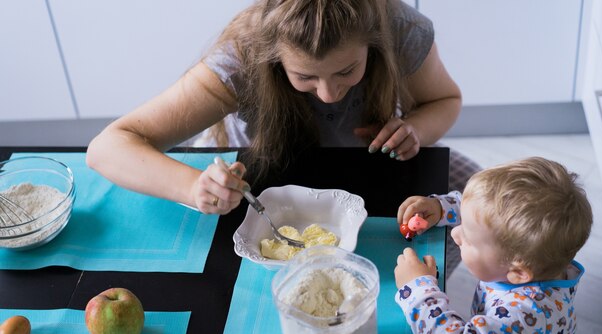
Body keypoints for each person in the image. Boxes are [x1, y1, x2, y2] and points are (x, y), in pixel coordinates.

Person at [86, 0, 478, 219]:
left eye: (346, 71)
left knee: (479, 201)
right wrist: (192, 186)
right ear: (273, 59)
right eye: (306, 77)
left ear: (374, 44)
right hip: (260, 170)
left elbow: (445, 101)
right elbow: (107, 148)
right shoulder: (240, 57)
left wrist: (416, 130)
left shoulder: (402, 30)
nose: (328, 94)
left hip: (373, 164)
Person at [394, 157, 593, 334]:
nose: (456, 235)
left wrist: (418, 289)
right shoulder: (539, 261)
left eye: (470, 239)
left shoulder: (524, 315)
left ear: (518, 272)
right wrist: (442, 208)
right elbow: (487, 217)